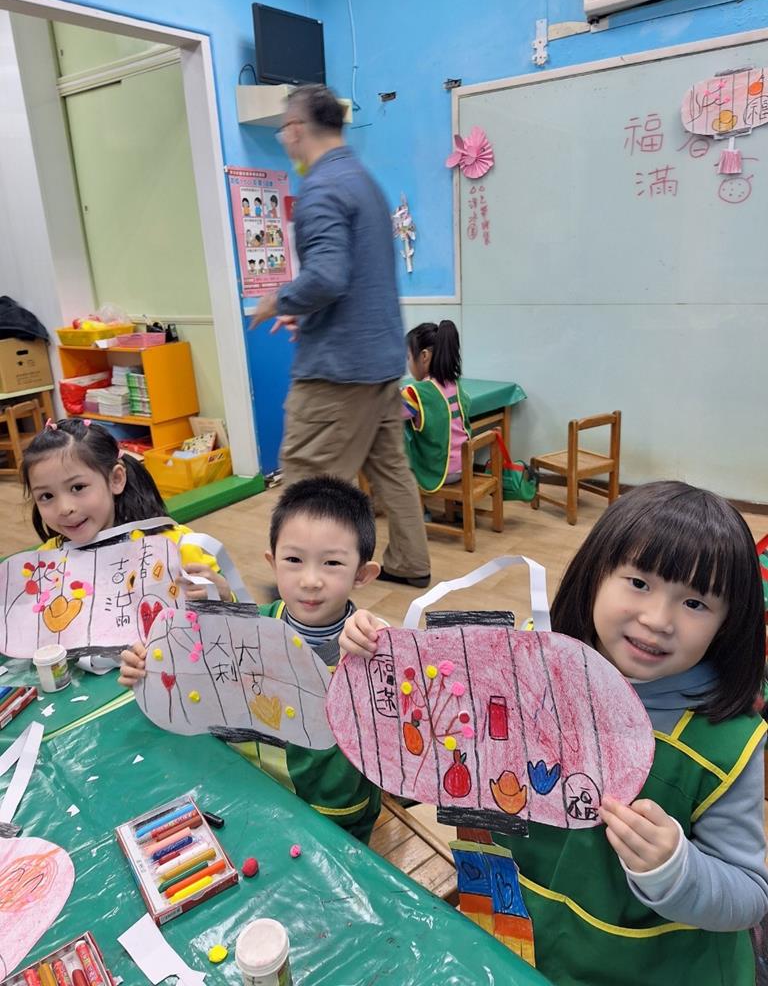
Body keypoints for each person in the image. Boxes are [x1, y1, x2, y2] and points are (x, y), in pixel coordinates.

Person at [340, 481, 768, 984]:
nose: (657, 620)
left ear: (728, 622)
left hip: (656, 969)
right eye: (638, 582)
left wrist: (675, 868)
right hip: (524, 937)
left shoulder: (725, 744)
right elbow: (438, 741)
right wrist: (378, 659)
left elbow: (751, 894)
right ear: (595, 574)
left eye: (695, 603)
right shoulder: (525, 669)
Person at [119, 475, 384, 842]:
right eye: (294, 560)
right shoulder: (251, 628)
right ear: (272, 562)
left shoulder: (368, 643)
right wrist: (148, 666)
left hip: (332, 813)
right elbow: (199, 674)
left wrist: (381, 646)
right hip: (253, 797)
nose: (310, 580)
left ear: (363, 574)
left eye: (332, 563)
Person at [249, 83, 431, 588]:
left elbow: (328, 276)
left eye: (283, 129)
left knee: (307, 478)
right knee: (391, 469)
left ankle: (307, 587)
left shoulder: (321, 188)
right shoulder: (364, 182)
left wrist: (280, 299)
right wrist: (306, 311)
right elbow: (353, 280)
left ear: (296, 130)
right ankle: (410, 562)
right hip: (379, 364)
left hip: (336, 373)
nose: (284, 139)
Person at [21, 418, 233, 669]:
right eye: (46, 496)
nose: (65, 508)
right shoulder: (45, 566)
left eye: (78, 487)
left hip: (178, 673)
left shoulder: (175, 546)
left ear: (116, 479)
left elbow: (234, 626)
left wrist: (221, 594)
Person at [402, 320, 471, 491]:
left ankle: (415, 505)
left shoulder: (415, 392)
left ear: (424, 356)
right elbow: (467, 403)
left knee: (392, 443)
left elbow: (389, 413)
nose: (408, 364)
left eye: (408, 357)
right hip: (465, 465)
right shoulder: (455, 384)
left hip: (438, 471)